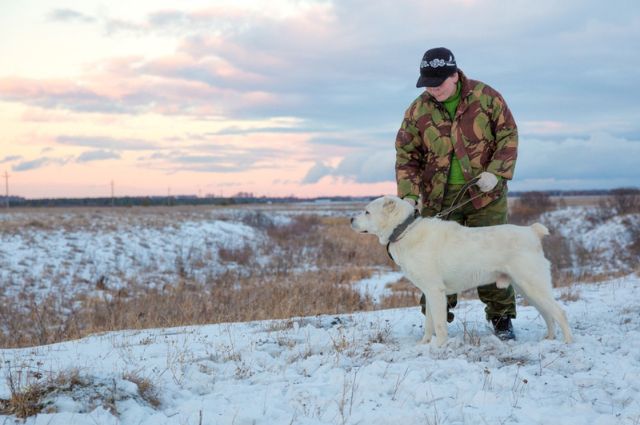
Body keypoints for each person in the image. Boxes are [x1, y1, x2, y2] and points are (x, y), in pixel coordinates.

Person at [394, 47, 519, 340]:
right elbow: (406, 154)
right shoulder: (417, 110)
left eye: (438, 83)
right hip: (438, 199)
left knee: (491, 256)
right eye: (427, 84)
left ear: (454, 75)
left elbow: (508, 135)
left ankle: (501, 319)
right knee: (434, 260)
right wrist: (409, 195)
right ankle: (436, 324)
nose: (432, 90)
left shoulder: (486, 97)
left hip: (485, 195)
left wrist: (497, 172)